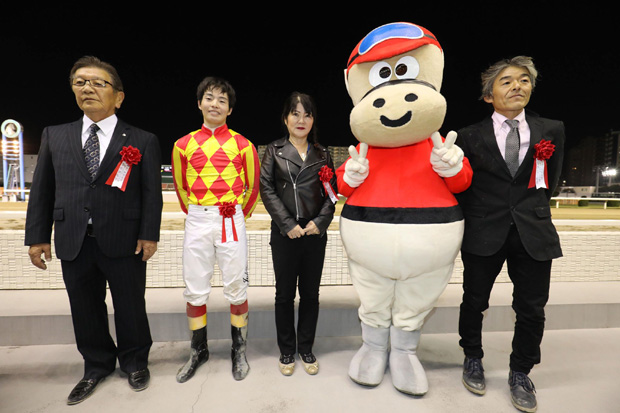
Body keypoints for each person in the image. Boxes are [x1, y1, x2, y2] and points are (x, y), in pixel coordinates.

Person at [25, 56, 163, 405]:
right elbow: (42, 190)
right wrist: (37, 237)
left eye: (98, 83)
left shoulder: (142, 140)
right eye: (80, 82)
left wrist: (149, 234)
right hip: (73, 238)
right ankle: (96, 365)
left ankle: (135, 361)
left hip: (124, 238)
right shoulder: (55, 135)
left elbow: (151, 194)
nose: (87, 88)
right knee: (84, 307)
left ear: (119, 97)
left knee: (130, 305)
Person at [455, 56, 565, 412]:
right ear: (489, 95)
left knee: (531, 308)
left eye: (524, 80)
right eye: (506, 81)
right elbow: (463, 187)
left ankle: (520, 372)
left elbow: (550, 182)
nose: (517, 86)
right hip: (483, 230)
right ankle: (472, 357)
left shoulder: (552, 129)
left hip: (534, 231)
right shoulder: (469, 135)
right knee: (475, 301)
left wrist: (528, 210)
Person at [171, 76, 260, 383]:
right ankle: (198, 350)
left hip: (231, 218)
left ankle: (239, 350)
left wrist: (236, 215)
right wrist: (199, 213)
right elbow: (181, 188)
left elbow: (253, 189)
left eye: (222, 100)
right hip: (197, 218)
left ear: (230, 109)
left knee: (236, 286)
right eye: (209, 98)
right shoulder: (182, 145)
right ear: (199, 103)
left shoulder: (244, 145)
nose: (215, 104)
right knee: (195, 287)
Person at [260, 92, 338, 376]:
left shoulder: (323, 153)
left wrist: (320, 222)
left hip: (314, 234)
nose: (301, 120)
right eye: (295, 114)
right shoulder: (274, 150)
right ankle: (286, 350)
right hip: (286, 234)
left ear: (313, 120)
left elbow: (332, 194)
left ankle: (305, 347)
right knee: (284, 295)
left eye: (307, 114)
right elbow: (266, 189)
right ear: (286, 118)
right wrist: (287, 224)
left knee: (310, 294)